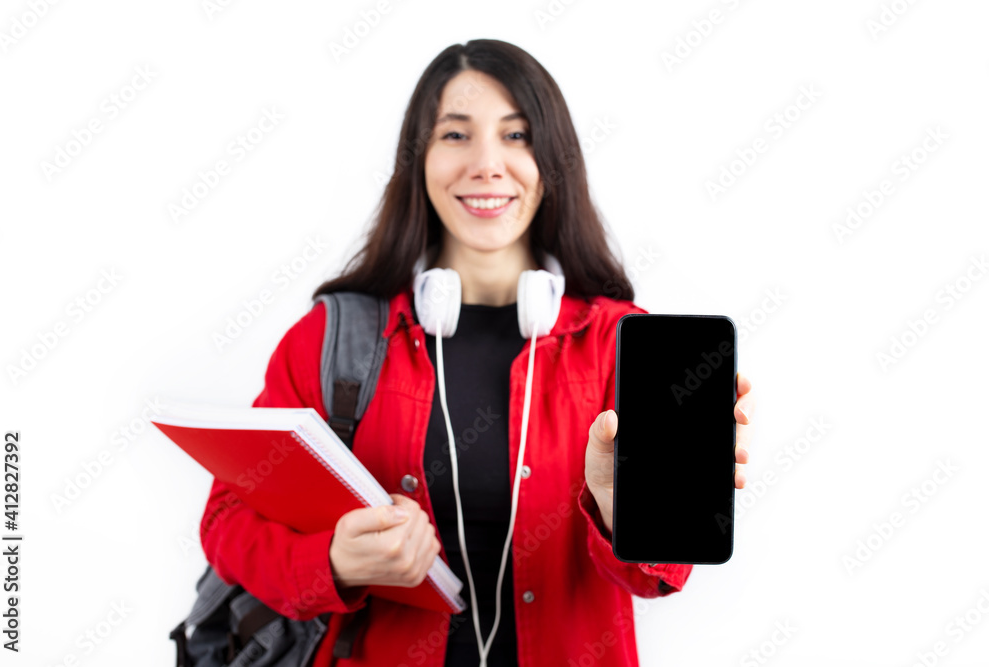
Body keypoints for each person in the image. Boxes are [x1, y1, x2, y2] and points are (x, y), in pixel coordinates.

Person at [199, 39, 756, 667]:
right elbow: (227, 521)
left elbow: (658, 574)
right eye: (456, 136)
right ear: (419, 160)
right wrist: (330, 562)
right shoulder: (334, 339)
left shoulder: (617, 345)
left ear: (553, 160)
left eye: (516, 136)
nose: (488, 164)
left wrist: (621, 505)